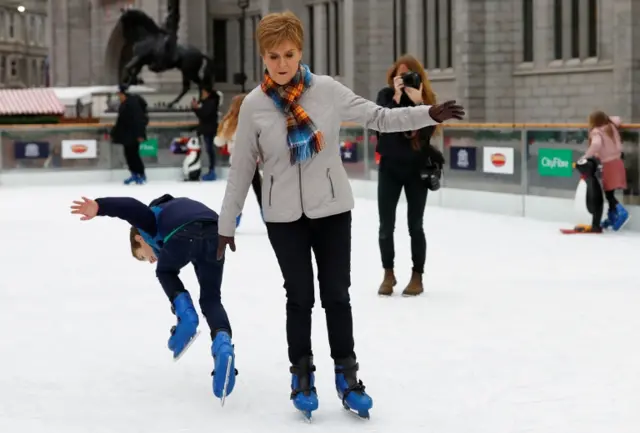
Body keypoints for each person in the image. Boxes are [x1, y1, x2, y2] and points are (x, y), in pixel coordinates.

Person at [215, 11, 464, 419]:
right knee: (299, 297)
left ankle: (347, 376)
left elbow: (379, 117)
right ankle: (302, 374)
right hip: (283, 217)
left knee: (336, 295)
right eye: (273, 56)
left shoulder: (326, 90)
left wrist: (427, 114)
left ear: (301, 53)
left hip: (331, 211)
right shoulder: (255, 106)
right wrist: (227, 224)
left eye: (289, 54)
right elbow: (242, 168)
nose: (282, 64)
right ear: (263, 56)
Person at [69, 194, 237, 402]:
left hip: (184, 232)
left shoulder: (152, 220)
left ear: (139, 238)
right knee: (211, 299)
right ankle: (223, 344)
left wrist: (99, 206)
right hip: (216, 233)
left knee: (165, 272)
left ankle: (186, 317)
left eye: (143, 255)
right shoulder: (179, 206)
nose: (149, 259)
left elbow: (130, 207)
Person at [375, 54, 445, 297]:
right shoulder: (385, 97)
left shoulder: (426, 100)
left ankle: (417, 275)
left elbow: (428, 132)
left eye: (407, 75)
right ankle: (388, 273)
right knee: (385, 226)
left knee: (415, 226)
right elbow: (381, 125)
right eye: (399, 75)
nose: (402, 80)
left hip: (416, 169)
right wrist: (396, 99)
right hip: (390, 168)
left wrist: (418, 104)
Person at [214, 93, 264, 226]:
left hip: (237, 163)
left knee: (235, 192)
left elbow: (219, 141)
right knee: (259, 190)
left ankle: (233, 218)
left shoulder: (229, 123)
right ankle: (267, 216)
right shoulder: (255, 120)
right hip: (252, 161)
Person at [583, 111, 629, 231]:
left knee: (608, 194)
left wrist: (585, 157)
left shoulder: (596, 131)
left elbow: (596, 145)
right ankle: (612, 217)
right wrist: (608, 118)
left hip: (608, 164)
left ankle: (621, 212)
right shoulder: (612, 125)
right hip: (618, 162)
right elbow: (618, 118)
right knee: (610, 193)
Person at [110, 86, 148, 185]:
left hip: (134, 134)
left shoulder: (133, 103)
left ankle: (141, 174)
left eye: (119, 95)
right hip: (126, 135)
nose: (118, 97)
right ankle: (134, 173)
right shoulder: (125, 103)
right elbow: (121, 121)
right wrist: (114, 133)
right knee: (128, 155)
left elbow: (138, 119)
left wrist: (140, 134)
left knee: (134, 155)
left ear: (124, 94)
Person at [192, 86, 221, 181]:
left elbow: (204, 114)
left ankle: (211, 171)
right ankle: (210, 170)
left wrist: (196, 108)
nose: (202, 95)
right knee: (208, 150)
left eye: (203, 92)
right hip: (207, 129)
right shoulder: (207, 103)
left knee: (210, 150)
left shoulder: (210, 103)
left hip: (209, 130)